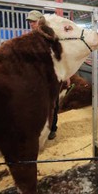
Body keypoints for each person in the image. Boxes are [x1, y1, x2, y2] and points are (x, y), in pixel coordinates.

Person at [26, 10, 59, 140]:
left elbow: (58, 57)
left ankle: (52, 128)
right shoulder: (30, 37)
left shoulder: (50, 37)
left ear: (40, 21)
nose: (31, 24)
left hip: (51, 75)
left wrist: (67, 75)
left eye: (33, 21)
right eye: (30, 22)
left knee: (53, 103)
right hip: (36, 76)